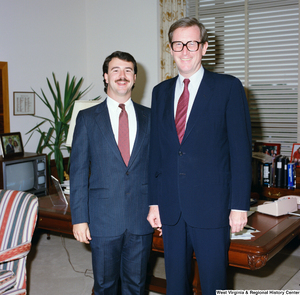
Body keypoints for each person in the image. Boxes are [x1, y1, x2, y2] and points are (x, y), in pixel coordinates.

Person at [147, 17, 252, 295]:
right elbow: (155, 153)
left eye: (191, 43)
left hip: (212, 206)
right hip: (171, 206)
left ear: (204, 47)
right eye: (178, 44)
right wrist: (154, 202)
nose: (184, 50)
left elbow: (240, 152)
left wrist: (240, 206)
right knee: (176, 284)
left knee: (214, 283)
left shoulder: (228, 87)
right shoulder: (159, 93)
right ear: (170, 49)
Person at [70, 51, 153, 295]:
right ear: (106, 76)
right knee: (105, 286)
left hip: (141, 217)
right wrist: (79, 218)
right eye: (115, 70)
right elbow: (78, 172)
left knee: (136, 286)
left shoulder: (150, 117)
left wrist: (159, 207)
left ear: (135, 78)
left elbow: (158, 168)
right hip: (103, 219)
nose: (122, 75)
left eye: (128, 70)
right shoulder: (86, 119)